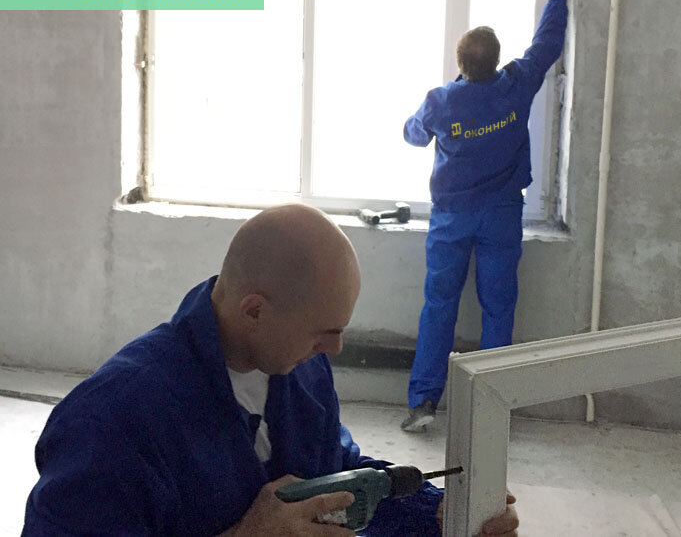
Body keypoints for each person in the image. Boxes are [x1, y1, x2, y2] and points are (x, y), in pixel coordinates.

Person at [23, 203, 518, 536]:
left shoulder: (299, 369)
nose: (335, 349)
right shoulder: (111, 422)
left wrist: (435, 513)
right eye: (323, 332)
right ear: (255, 310)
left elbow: (332, 474)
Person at [400, 0, 570, 432]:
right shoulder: (516, 85)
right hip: (501, 215)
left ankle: (423, 403)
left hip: (452, 218)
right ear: (496, 60)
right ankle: (489, 411)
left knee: (440, 306)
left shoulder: (442, 101)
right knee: (498, 307)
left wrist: (439, 118)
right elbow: (548, 42)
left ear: (460, 64)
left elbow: (413, 135)